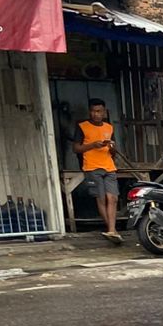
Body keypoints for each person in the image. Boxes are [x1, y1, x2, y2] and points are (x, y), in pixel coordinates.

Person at [71, 98, 121, 243]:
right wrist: (92, 145)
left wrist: (112, 147)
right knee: (101, 199)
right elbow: (76, 148)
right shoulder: (82, 126)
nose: (95, 114)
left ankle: (112, 230)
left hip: (109, 166)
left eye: (98, 111)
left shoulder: (109, 127)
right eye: (93, 111)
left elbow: (114, 152)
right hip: (91, 166)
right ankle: (112, 230)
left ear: (104, 112)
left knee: (113, 198)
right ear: (89, 111)